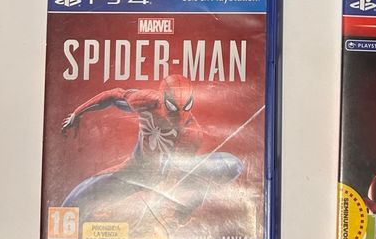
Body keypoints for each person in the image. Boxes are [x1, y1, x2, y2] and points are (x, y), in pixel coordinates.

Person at [61, 74, 242, 231]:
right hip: (134, 171)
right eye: (173, 108)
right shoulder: (147, 101)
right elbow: (113, 96)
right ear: (163, 100)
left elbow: (175, 176)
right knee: (74, 203)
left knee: (231, 164)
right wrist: (77, 113)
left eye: (186, 107)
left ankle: (179, 215)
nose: (179, 117)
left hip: (166, 176)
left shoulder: (192, 134)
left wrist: (175, 213)